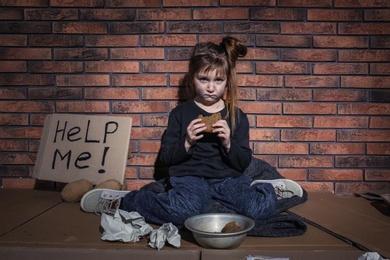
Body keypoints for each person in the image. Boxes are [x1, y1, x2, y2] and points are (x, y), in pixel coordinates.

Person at [80, 36, 303, 226]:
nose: (210, 87)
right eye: (203, 79)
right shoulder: (180, 113)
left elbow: (243, 162)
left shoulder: (236, 115)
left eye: (218, 80)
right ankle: (126, 201)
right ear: (192, 78)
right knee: (185, 211)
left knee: (259, 210)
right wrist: (186, 141)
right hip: (190, 178)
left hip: (227, 179)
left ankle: (268, 189)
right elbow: (166, 158)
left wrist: (228, 143)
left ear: (227, 82)